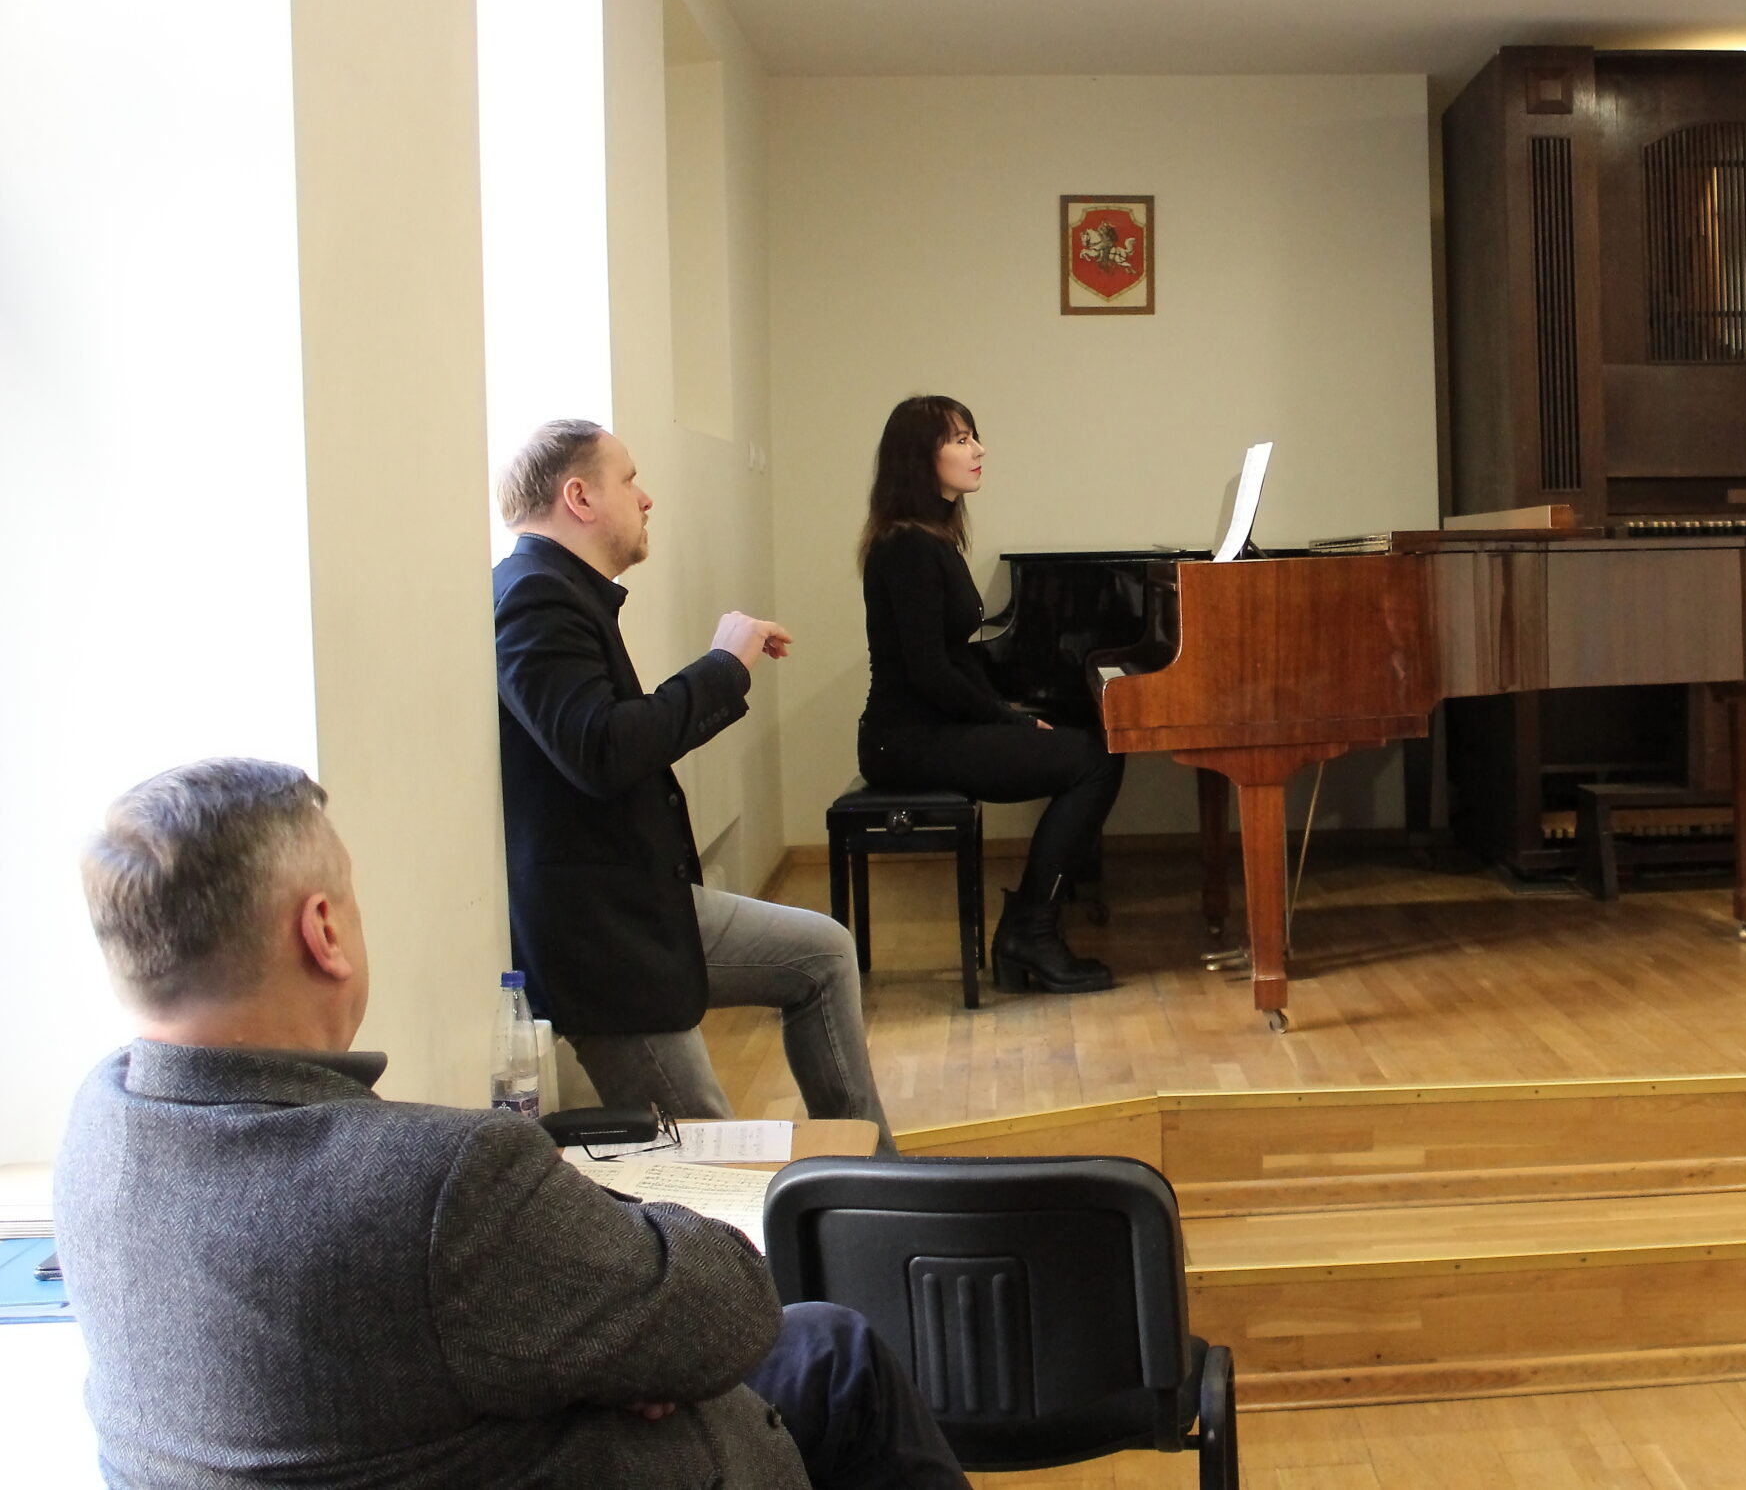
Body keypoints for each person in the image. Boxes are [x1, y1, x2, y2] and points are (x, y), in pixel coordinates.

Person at [52, 758, 967, 1490]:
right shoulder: (437, 1182)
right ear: (322, 931)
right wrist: (623, 1356)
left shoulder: (94, 1131)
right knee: (838, 1353)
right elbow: (729, 1309)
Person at [494, 419, 895, 1140]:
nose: (646, 498)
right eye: (629, 480)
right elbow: (601, 750)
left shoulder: (561, 591)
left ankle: (865, 1177)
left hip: (645, 902)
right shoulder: (533, 597)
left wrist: (722, 668)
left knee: (824, 953)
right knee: (709, 1153)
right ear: (579, 497)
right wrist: (722, 666)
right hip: (603, 939)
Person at [856, 395, 1123, 993]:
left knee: (1093, 748)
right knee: (1096, 760)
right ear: (920, 457)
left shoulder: (931, 538)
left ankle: (1031, 924)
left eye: (973, 436)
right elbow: (929, 672)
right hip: (906, 742)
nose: (978, 450)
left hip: (928, 731)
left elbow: (953, 661)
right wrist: (1011, 721)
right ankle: (1031, 930)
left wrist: (1011, 713)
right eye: (960, 440)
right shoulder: (907, 546)